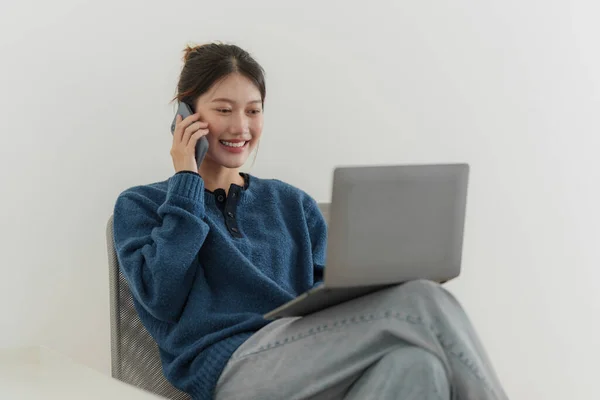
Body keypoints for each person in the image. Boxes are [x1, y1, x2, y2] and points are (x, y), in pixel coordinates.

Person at [113, 42, 509, 400]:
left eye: (253, 110)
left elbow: (331, 298)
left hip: (314, 356)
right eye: (223, 110)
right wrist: (186, 183)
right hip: (235, 371)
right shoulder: (143, 205)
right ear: (186, 115)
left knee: (416, 366)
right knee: (422, 301)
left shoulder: (292, 203)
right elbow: (161, 300)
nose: (241, 127)